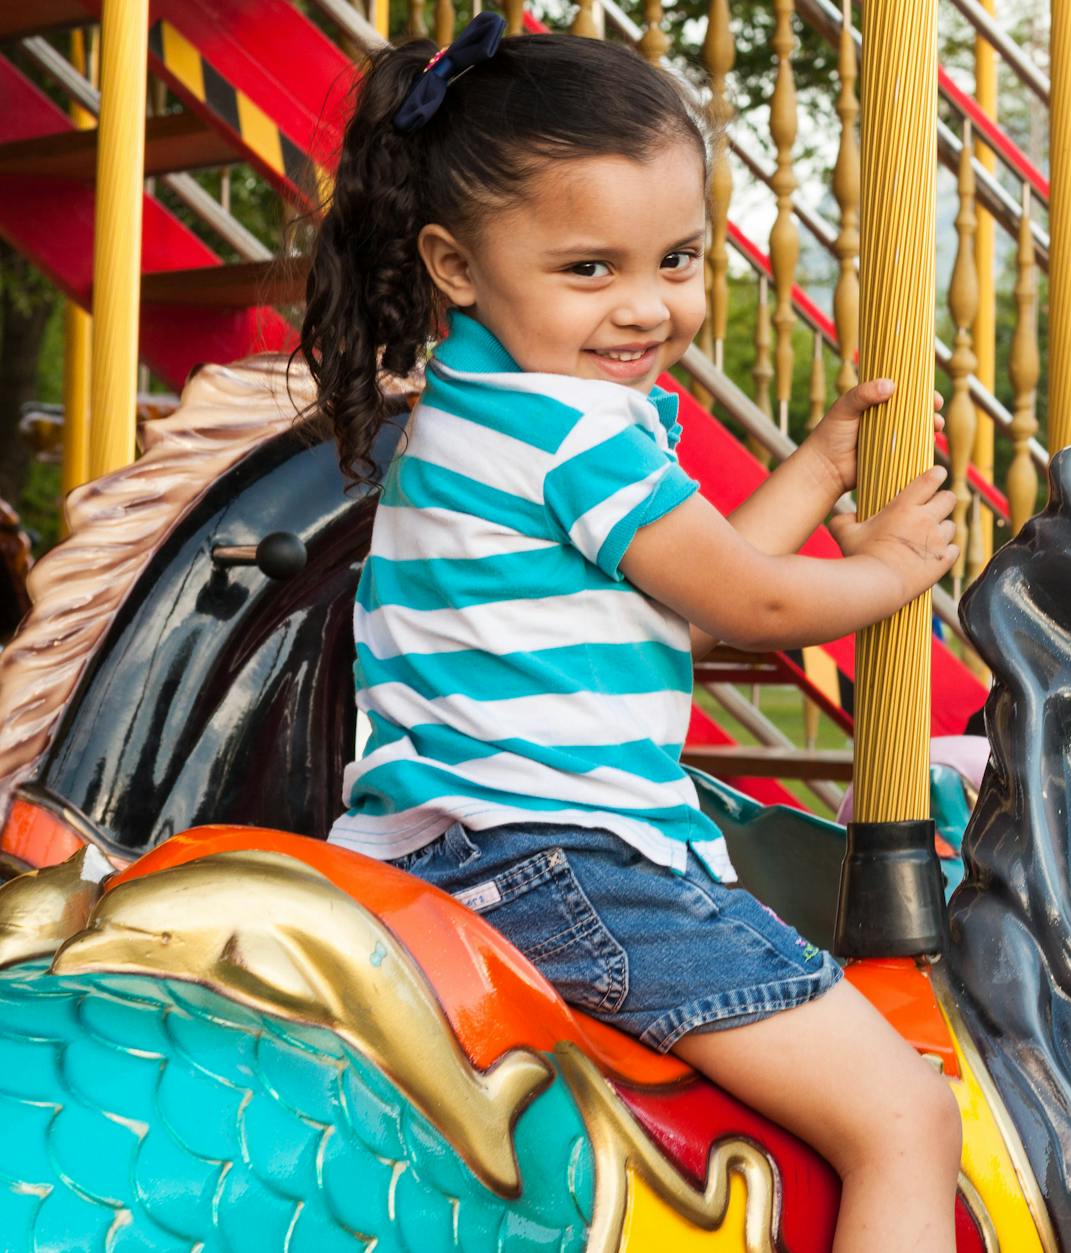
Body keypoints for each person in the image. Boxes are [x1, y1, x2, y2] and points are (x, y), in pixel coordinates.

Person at [297, 16, 963, 1251]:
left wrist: (816, 471)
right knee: (906, 1116)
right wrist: (886, 571)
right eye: (590, 269)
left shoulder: (471, 412)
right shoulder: (581, 432)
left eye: (678, 258)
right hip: (583, 864)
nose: (647, 307)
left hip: (447, 856)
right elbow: (748, 605)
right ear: (454, 263)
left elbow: (680, 582)